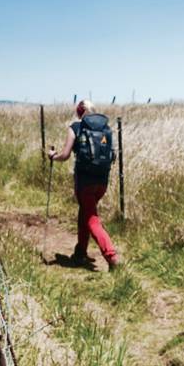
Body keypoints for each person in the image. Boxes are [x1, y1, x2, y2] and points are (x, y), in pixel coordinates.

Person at [48, 100, 121, 270]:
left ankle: (111, 256)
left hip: (85, 181)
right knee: (85, 214)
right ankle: (80, 252)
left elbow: (65, 155)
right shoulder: (105, 128)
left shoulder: (75, 127)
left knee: (91, 219)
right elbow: (113, 155)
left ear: (79, 112)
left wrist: (53, 156)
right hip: (102, 181)